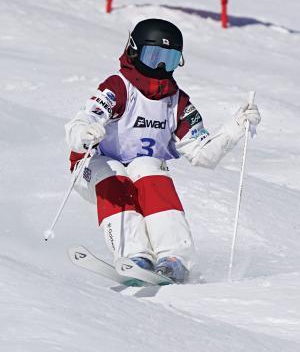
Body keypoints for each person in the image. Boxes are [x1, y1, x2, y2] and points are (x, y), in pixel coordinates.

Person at [65, 18, 261, 283]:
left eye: (168, 59)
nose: (159, 66)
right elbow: (85, 119)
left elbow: (202, 153)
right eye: (154, 56)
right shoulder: (119, 86)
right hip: (93, 166)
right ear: (135, 52)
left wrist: (236, 127)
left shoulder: (176, 101)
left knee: (149, 166)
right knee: (113, 175)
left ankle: (175, 259)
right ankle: (134, 256)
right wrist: (85, 133)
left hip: (137, 168)